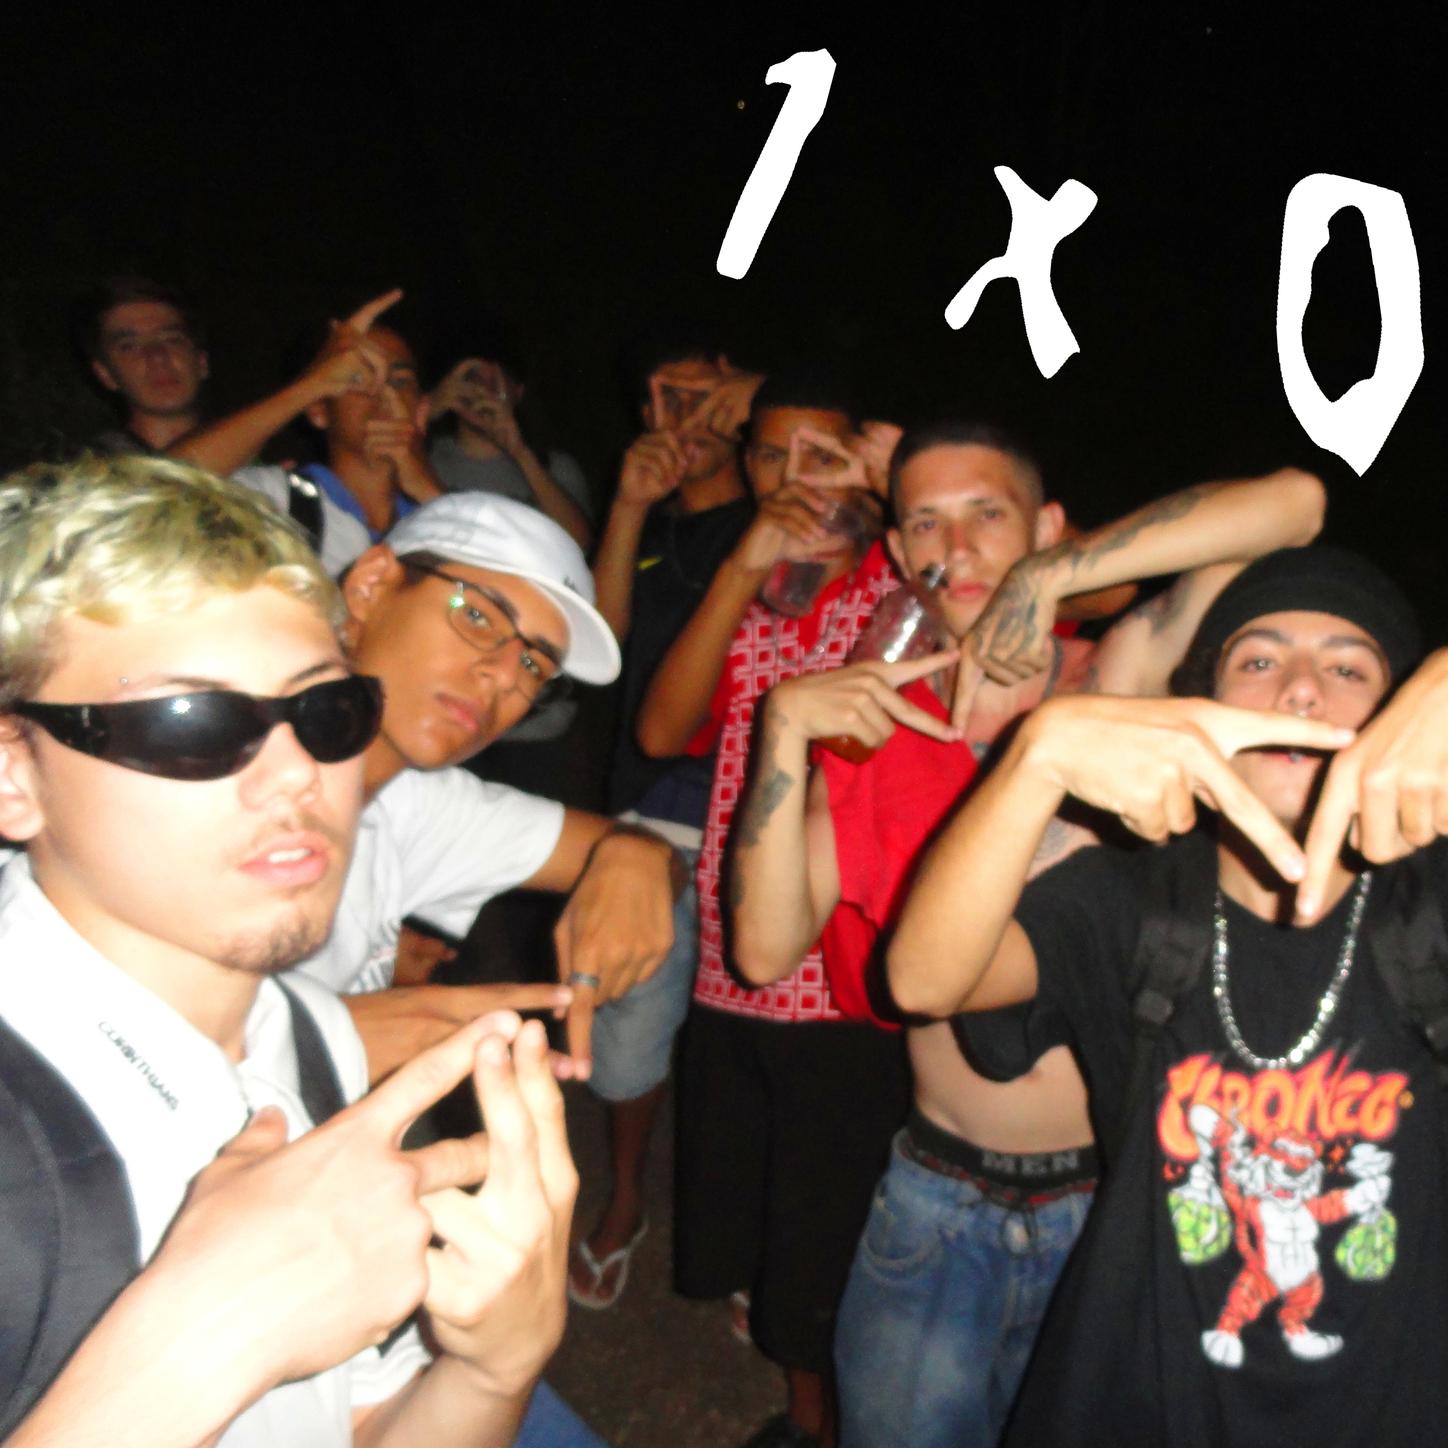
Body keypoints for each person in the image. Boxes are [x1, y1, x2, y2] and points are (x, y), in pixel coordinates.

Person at [729, 422, 1328, 1447]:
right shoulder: (878, 731)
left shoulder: (1117, 681)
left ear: (1045, 526)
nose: (955, 546)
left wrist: (1055, 576)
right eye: (924, 522)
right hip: (937, 1200)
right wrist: (780, 733)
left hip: (1115, 1199)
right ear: (898, 550)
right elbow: (763, 949)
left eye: (986, 514)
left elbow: (1294, 506)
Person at [0, 454, 576, 1445]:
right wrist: (200, 1339)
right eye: (192, 720)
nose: (298, 775)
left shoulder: (302, 1030)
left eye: (325, 713)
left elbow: (361, 1418)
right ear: (15, 775)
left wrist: (494, 1367)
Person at [888, 544, 1448, 1444]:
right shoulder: (1130, 897)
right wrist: (1036, 756)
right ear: (1198, 711)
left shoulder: (1433, 906)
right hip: (1138, 1402)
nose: (1301, 691)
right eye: (1258, 662)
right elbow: (924, 979)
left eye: (1349, 669)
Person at [636, 376, 903, 1448]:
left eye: (820, 455)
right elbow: (660, 732)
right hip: (733, 962)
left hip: (847, 977)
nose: (795, 481)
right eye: (769, 456)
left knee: (832, 1234)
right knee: (763, 1223)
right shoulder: (752, 594)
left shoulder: (904, 585)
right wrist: (741, 568)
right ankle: (804, 1417)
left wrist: (898, 489)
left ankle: (840, 1420)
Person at [294, 488, 682, 1085]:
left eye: (534, 665)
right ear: (371, 586)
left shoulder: (415, 803)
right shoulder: (213, 773)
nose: (503, 676)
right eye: (477, 615)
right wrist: (325, 1038)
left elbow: (654, 856)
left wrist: (637, 856)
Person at [568, 343, 759, 1308]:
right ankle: (627, 1194)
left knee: (750, 1042)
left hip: (758, 810)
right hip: (649, 807)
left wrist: (760, 407)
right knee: (630, 1028)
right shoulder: (650, 522)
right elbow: (599, 649)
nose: (671, 415)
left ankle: (757, 1239)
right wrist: (628, 506)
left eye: (693, 394)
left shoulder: (777, 512)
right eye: (656, 397)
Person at [428, 342, 594, 549]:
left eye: (494, 383)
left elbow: (582, 545)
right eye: (472, 379)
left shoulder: (555, 467)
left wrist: (521, 453)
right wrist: (426, 411)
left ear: (518, 392)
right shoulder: (423, 456)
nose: (483, 391)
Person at [72, 276, 211, 454]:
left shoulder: (244, 457)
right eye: (129, 347)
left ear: (201, 362)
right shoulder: (96, 464)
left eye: (172, 340)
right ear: (105, 374)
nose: (157, 357)